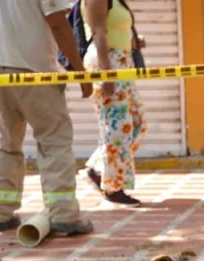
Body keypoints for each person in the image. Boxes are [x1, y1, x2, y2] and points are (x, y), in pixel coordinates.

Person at [0, 0, 94, 235]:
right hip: (33, 70)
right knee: (54, 140)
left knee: (8, 142)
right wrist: (79, 71)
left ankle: (1, 211)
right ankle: (63, 213)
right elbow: (57, 23)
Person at [82, 0, 146, 206]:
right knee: (116, 127)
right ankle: (112, 186)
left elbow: (114, 31)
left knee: (136, 123)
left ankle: (97, 167)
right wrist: (106, 75)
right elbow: (98, 32)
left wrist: (134, 42)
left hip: (122, 61)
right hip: (107, 63)